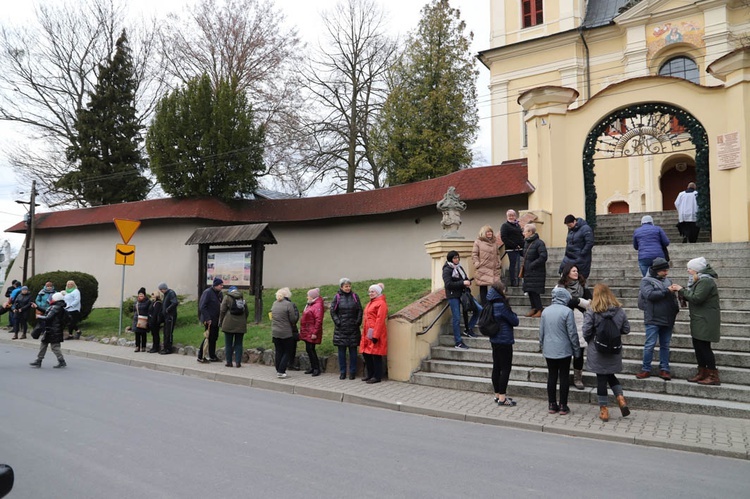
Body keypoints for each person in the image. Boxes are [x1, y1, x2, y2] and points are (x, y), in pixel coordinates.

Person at [582, 284, 631, 422]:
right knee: (610, 374)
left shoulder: (592, 310)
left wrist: (591, 340)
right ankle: (620, 398)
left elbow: (586, 330)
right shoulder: (619, 311)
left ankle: (604, 410)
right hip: (614, 349)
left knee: (601, 379)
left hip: (597, 349)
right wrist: (614, 334)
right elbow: (626, 329)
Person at [671, 257, 721, 385]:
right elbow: (694, 296)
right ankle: (702, 372)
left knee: (704, 347)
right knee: (698, 347)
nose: (688, 271)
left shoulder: (705, 281)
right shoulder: (699, 280)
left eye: (690, 268)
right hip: (699, 319)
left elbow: (697, 298)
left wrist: (681, 290)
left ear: (697, 269)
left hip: (705, 320)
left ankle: (712, 375)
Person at [636, 257, 679, 380]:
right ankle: (646, 369)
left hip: (668, 318)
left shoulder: (668, 281)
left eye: (667, 270)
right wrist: (667, 291)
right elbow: (650, 295)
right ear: (657, 270)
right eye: (664, 270)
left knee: (665, 345)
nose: (666, 273)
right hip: (653, 318)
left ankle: (664, 369)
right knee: (650, 344)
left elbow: (672, 298)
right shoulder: (646, 281)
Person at [539, 286, 580, 415]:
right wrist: (576, 349)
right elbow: (572, 333)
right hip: (564, 350)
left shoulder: (545, 311)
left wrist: (542, 346)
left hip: (549, 349)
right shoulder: (567, 312)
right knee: (564, 377)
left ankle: (551, 404)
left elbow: (542, 332)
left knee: (552, 376)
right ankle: (563, 405)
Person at [558, 263, 592, 390]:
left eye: (577, 271)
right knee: (565, 352)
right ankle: (564, 376)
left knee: (579, 352)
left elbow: (591, 303)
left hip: (580, 321)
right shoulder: (560, 287)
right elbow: (558, 302)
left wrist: (578, 302)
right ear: (567, 273)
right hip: (564, 321)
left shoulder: (583, 285)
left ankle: (578, 378)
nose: (576, 273)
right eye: (573, 271)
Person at [486, 280, 519, 406]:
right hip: (504, 340)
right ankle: (502, 398)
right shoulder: (501, 305)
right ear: (500, 291)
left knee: (497, 367)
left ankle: (497, 395)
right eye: (504, 289)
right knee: (505, 368)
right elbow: (515, 321)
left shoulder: (490, 303)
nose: (505, 291)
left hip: (494, 339)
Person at [442, 251, 482, 350]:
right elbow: (448, 284)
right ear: (450, 259)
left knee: (479, 309)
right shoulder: (447, 269)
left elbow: (465, 278)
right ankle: (458, 342)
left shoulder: (459, 267)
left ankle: (469, 329)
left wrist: (468, 282)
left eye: (458, 258)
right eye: (455, 258)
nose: (457, 260)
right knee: (456, 318)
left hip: (464, 294)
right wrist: (462, 283)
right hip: (453, 295)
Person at [331, 278, 363, 380]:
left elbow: (359, 310)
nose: (348, 288)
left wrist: (358, 321)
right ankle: (343, 372)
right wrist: (338, 322)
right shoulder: (337, 297)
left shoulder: (355, 296)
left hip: (353, 328)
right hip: (341, 328)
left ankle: (352, 372)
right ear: (341, 287)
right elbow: (333, 311)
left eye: (349, 286)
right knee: (342, 352)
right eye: (346, 286)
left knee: (353, 351)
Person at [29, 292, 67, 369]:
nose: (50, 299)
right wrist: (37, 307)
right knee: (44, 344)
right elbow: (48, 312)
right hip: (53, 329)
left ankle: (61, 361)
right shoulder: (57, 307)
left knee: (54, 347)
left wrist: (39, 317)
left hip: (53, 330)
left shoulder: (55, 307)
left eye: (52, 298)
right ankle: (39, 360)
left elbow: (48, 317)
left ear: (56, 299)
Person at [360, 284, 388, 384]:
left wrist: (375, 335)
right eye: (370, 291)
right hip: (368, 332)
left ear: (378, 292)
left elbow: (380, 320)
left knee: (376, 355)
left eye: (373, 291)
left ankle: (377, 376)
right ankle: (370, 374)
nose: (370, 293)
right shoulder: (370, 303)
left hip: (376, 333)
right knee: (367, 353)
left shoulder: (381, 303)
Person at [271, 287, 299, 378]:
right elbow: (293, 319)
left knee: (279, 351)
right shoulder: (288, 304)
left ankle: (278, 369)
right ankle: (281, 371)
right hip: (286, 332)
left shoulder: (274, 304)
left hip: (275, 331)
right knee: (287, 351)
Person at [521, 223, 547, 318]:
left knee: (535, 291)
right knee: (530, 290)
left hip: (536, 272)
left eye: (524, 231)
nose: (523, 233)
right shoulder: (527, 242)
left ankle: (539, 309)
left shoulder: (539, 243)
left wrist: (532, 265)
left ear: (530, 232)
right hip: (528, 271)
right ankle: (534, 308)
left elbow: (543, 256)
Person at [472, 225, 501, 304]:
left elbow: (498, 253)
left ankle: (493, 304)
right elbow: (474, 254)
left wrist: (498, 262)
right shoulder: (478, 242)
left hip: (494, 268)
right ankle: (485, 306)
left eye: (491, 231)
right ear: (483, 233)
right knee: (483, 287)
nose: (490, 233)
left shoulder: (494, 242)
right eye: (487, 232)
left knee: (496, 287)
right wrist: (477, 264)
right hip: (483, 268)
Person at [219, 286, 248, 368]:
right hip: (241, 325)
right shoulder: (241, 297)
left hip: (228, 323)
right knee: (239, 344)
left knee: (228, 344)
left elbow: (222, 310)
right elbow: (246, 311)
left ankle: (229, 362)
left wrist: (221, 321)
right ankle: (238, 362)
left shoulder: (227, 297)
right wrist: (243, 320)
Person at [559, 214, 595, 280]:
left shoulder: (586, 228)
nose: (569, 227)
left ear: (574, 221)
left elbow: (590, 242)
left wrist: (582, 253)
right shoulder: (571, 230)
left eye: (569, 225)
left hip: (581, 257)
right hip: (569, 256)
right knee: (563, 271)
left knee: (580, 276)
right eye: (567, 226)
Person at [198, 278, 224, 362]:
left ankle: (212, 355)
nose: (222, 286)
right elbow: (202, 306)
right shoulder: (208, 292)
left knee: (214, 337)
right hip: (209, 320)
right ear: (216, 285)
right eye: (220, 285)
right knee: (208, 337)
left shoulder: (219, 294)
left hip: (216, 319)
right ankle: (201, 356)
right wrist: (207, 318)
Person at [300, 288, 324, 376]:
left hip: (311, 331)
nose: (307, 297)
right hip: (307, 330)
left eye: (308, 296)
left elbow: (318, 320)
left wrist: (315, 332)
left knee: (311, 349)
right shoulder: (311, 304)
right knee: (308, 349)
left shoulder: (317, 306)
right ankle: (313, 367)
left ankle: (316, 368)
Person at [500, 209, 524, 287]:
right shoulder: (505, 226)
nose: (511, 217)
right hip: (511, 249)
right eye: (509, 215)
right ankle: (513, 281)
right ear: (507, 217)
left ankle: (522, 279)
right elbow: (504, 238)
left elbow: (521, 236)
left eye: (513, 215)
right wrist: (514, 245)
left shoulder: (517, 225)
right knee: (513, 265)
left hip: (520, 248)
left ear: (515, 216)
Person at [159, 282, 178, 355]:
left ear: (164, 288)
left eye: (161, 289)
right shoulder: (166, 294)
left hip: (170, 316)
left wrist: (167, 309)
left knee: (168, 333)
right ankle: (165, 347)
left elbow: (175, 303)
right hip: (166, 316)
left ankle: (168, 348)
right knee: (165, 332)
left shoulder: (171, 293)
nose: (161, 291)